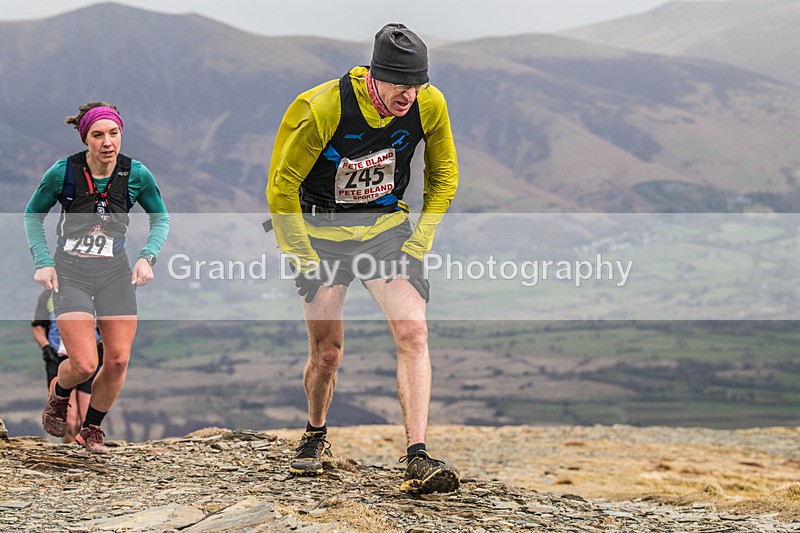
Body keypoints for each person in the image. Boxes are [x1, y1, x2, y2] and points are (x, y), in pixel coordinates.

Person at [266, 23, 459, 494]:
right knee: (327, 354)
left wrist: (420, 240)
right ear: (375, 75)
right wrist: (301, 254)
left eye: (417, 85)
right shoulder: (323, 107)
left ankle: (417, 455)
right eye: (399, 85)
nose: (408, 96)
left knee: (413, 330)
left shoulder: (429, 104)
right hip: (320, 233)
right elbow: (281, 186)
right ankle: (315, 435)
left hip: (386, 231)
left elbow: (445, 176)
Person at [24, 102, 169, 453]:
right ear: (86, 139)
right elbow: (32, 215)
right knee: (86, 363)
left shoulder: (136, 175)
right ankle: (59, 393)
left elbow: (160, 218)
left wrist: (147, 258)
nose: (107, 142)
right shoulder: (63, 173)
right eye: (98, 135)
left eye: (114, 133)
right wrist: (43, 261)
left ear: (121, 134)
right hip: (71, 274)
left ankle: (92, 428)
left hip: (114, 273)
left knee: (118, 359)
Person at [32, 289, 104, 443]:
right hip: (59, 359)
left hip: (89, 357)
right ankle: (71, 451)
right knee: (70, 421)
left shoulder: (95, 294)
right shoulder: (48, 296)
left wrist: (103, 346)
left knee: (84, 417)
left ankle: (85, 450)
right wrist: (46, 348)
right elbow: (38, 326)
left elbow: (104, 325)